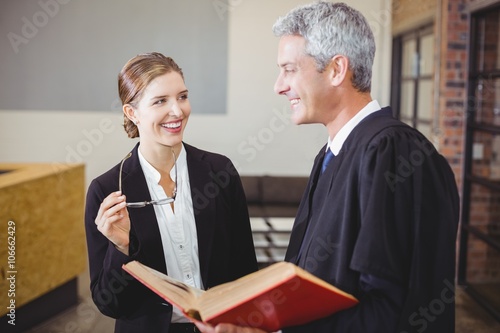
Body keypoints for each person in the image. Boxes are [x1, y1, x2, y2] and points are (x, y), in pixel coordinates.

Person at [195, 1, 459, 333]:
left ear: (336, 69)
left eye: (290, 69)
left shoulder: (393, 154)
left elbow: (392, 310)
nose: (279, 85)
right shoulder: (333, 154)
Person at [84, 52, 258, 333]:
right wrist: (121, 249)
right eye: (160, 101)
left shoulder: (220, 172)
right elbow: (110, 303)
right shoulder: (106, 191)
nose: (177, 111)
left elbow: (245, 272)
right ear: (132, 113)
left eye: (182, 96)